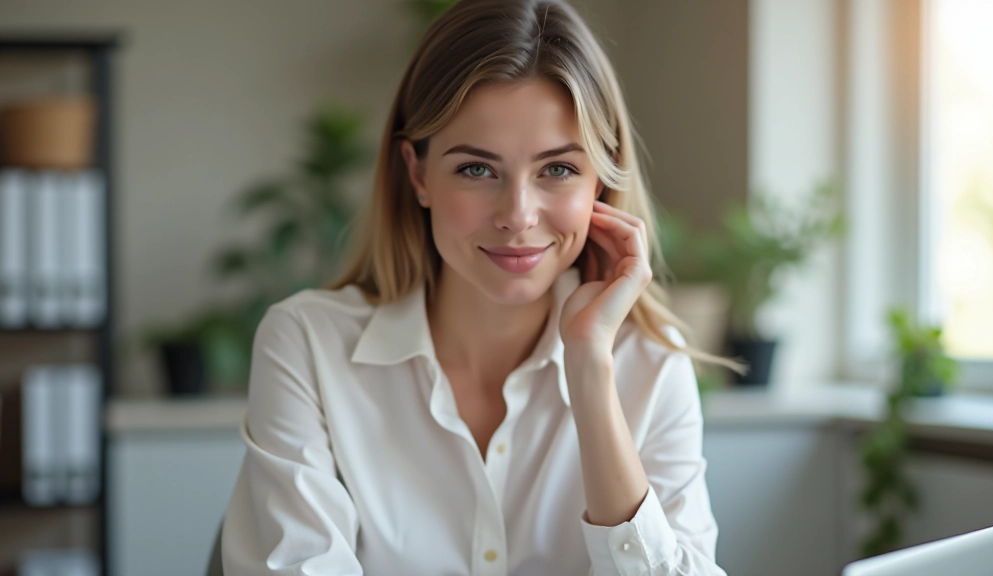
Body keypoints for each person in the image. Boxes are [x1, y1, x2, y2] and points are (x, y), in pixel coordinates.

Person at [221, 0, 729, 574]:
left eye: (558, 169)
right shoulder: (308, 345)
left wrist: (590, 372)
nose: (518, 215)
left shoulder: (653, 365)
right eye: (476, 169)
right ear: (418, 173)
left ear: (600, 178)